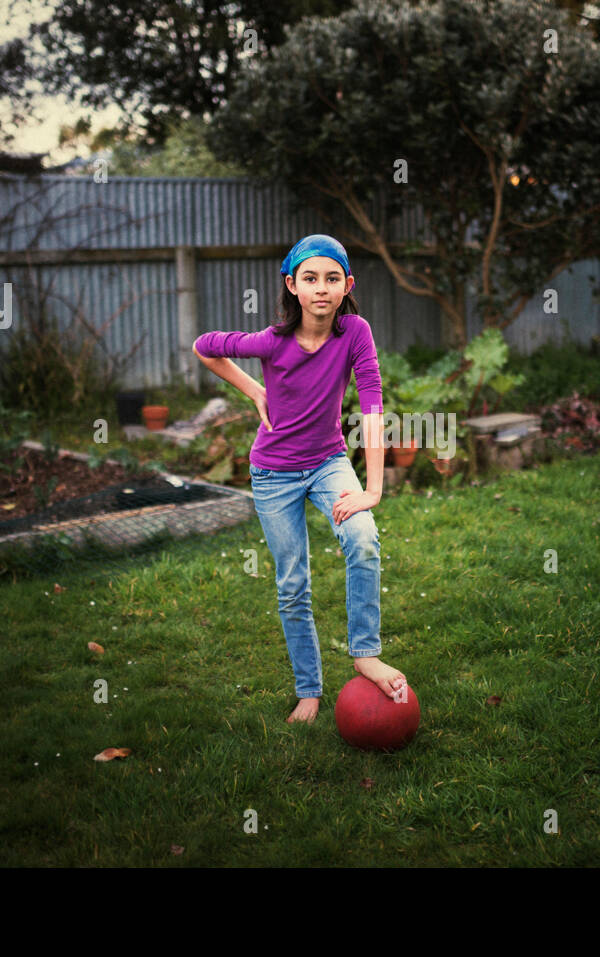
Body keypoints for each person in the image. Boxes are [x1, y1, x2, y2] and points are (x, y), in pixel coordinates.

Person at [192, 234, 407, 724]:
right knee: (293, 584)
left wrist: (373, 490)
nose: (321, 288)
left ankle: (365, 654)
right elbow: (204, 347)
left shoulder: (354, 333)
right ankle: (308, 691)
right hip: (273, 474)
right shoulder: (271, 341)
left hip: (329, 463)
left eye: (332, 278)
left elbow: (372, 406)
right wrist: (253, 389)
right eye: (310, 278)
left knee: (363, 537)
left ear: (347, 285)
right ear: (292, 285)